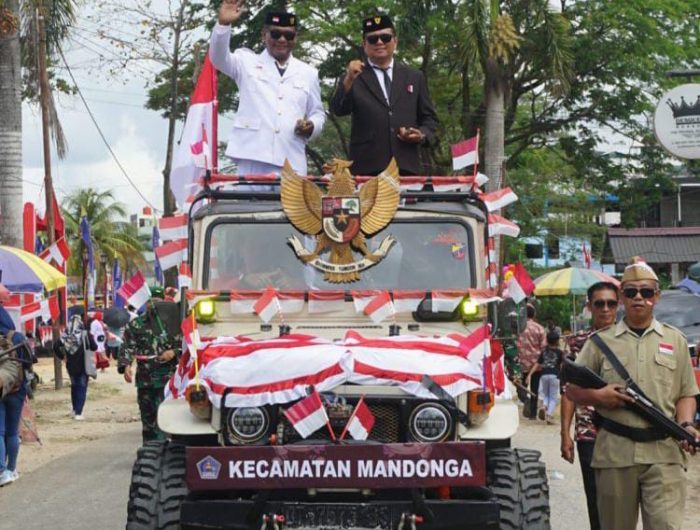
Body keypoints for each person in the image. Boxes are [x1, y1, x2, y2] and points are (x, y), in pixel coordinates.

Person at [567, 262, 699, 530]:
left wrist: (686, 423)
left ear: (656, 296)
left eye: (646, 292)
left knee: (666, 526)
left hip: (664, 453)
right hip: (616, 453)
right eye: (631, 292)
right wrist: (600, 397)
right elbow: (572, 390)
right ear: (622, 297)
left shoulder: (675, 341)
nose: (639, 297)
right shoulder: (599, 343)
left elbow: (686, 393)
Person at [209, 0, 326, 176]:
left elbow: (317, 113)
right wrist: (223, 25)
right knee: (248, 196)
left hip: (291, 161)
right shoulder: (246, 62)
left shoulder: (308, 72)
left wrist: (311, 126)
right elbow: (218, 58)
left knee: (292, 197)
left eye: (289, 35)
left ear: (295, 38)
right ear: (264, 35)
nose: (282, 40)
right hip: (253, 158)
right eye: (276, 34)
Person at [329, 14, 438, 176]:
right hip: (367, 169)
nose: (379, 42)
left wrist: (421, 135)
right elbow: (338, 109)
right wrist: (349, 79)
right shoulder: (354, 76)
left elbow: (429, 119)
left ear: (395, 41)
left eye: (385, 37)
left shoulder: (414, 77)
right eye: (373, 39)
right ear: (364, 44)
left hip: (405, 166)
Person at [560, 281, 619, 530]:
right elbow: (568, 392)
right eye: (599, 303)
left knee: (622, 502)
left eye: (611, 303)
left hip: (623, 432)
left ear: (618, 306)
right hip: (589, 433)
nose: (605, 309)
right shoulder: (577, 343)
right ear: (589, 306)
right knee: (595, 500)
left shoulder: (630, 341)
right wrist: (565, 434)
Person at [119, 288, 182, 443]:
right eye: (150, 302)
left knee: (165, 415)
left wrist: (173, 353)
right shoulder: (137, 324)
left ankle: (165, 446)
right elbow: (127, 346)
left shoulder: (174, 323)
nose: (153, 305)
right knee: (148, 417)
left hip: (167, 380)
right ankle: (149, 448)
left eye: (157, 302)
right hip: (145, 380)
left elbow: (187, 346)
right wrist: (126, 365)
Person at [0, 283, 30, 486]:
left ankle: (1, 471)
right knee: (12, 432)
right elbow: (29, 363)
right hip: (17, 391)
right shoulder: (16, 336)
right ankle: (11, 469)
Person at [54, 314, 98, 421]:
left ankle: (74, 410)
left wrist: (62, 356)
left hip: (71, 366)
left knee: (74, 387)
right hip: (83, 365)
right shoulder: (85, 334)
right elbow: (94, 346)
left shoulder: (66, 335)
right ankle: (79, 412)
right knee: (82, 388)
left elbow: (55, 346)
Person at [517, 303, 547, 419]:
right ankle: (533, 414)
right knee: (535, 389)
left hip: (521, 364)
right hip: (536, 365)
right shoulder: (540, 328)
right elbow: (544, 348)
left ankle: (525, 399)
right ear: (534, 315)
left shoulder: (518, 328)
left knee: (520, 387)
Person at [527, 330, 563, 424]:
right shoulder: (560, 352)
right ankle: (549, 416)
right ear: (557, 341)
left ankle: (544, 406)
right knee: (553, 397)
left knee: (546, 395)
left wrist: (530, 374)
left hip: (543, 375)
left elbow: (537, 364)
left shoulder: (543, 352)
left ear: (547, 341)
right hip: (554, 375)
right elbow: (562, 366)